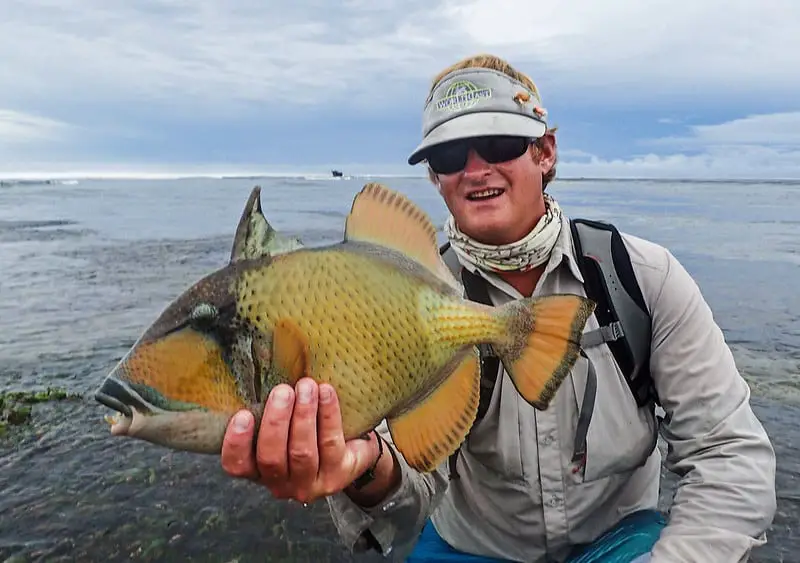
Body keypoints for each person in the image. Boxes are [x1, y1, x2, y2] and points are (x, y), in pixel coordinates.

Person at [218, 54, 777, 562]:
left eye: (502, 143)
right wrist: (366, 473)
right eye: (449, 154)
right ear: (434, 176)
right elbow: (409, 496)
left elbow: (729, 453)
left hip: (621, 544)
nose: (476, 167)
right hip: (470, 548)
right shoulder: (395, 304)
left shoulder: (641, 278)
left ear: (546, 153)